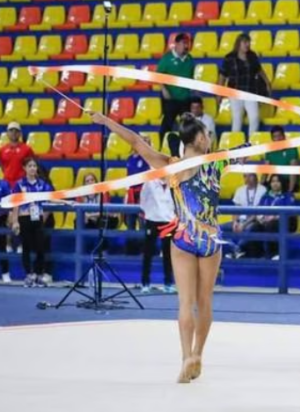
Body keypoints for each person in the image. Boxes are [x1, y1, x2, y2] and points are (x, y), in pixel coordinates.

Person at [91, 111, 241, 384]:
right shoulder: (217, 162)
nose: (210, 138)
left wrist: (107, 122)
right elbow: (250, 152)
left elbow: (137, 143)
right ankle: (197, 354)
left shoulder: (172, 166)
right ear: (198, 137)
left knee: (185, 302)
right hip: (209, 238)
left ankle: (186, 357)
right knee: (204, 301)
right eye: (207, 134)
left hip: (184, 237)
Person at [9, 157, 53, 287]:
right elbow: (16, 204)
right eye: (30, 166)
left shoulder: (43, 184)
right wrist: (15, 221)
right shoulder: (19, 184)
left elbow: (50, 199)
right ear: (24, 168)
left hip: (37, 218)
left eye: (34, 166)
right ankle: (29, 275)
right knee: (26, 247)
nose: (33, 168)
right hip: (24, 218)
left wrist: (42, 218)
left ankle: (39, 274)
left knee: (40, 247)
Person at [219, 33, 270, 137]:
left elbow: (259, 70)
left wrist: (267, 82)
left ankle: (252, 141)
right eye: (245, 42)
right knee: (237, 119)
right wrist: (219, 93)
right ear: (239, 44)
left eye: (248, 42)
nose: (247, 45)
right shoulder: (229, 58)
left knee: (255, 117)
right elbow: (223, 76)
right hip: (234, 92)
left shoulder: (252, 56)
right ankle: (235, 143)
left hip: (250, 91)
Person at [157, 33, 194, 143]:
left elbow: (190, 75)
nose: (186, 46)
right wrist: (164, 89)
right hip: (170, 97)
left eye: (187, 43)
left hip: (185, 97)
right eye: (184, 43)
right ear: (176, 44)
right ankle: (161, 145)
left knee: (187, 124)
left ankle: (186, 146)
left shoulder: (189, 59)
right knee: (168, 123)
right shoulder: (167, 58)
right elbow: (158, 76)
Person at [139, 179, 175, 293]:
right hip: (152, 220)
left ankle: (168, 283)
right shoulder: (149, 182)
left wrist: (171, 215)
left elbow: (177, 201)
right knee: (148, 253)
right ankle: (145, 283)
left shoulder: (174, 181)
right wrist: (150, 212)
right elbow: (142, 199)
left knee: (168, 254)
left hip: (168, 222)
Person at [251, 174, 296, 259]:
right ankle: (258, 254)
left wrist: (274, 217)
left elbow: (290, 212)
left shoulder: (288, 196)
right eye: (273, 181)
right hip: (266, 221)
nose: (275, 184)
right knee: (255, 227)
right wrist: (260, 218)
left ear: (282, 183)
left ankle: (274, 254)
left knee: (271, 225)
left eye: (277, 181)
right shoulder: (265, 196)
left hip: (283, 222)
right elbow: (259, 210)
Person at [225, 173, 266, 258]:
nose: (248, 178)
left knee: (250, 228)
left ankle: (238, 249)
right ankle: (233, 249)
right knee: (218, 229)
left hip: (254, 221)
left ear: (256, 176)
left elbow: (258, 212)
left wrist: (244, 224)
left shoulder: (263, 190)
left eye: (251, 175)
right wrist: (235, 222)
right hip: (240, 220)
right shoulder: (240, 190)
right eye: (246, 176)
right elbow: (236, 209)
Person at [264, 126, 299, 192]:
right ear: (272, 139)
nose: (278, 139)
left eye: (280, 136)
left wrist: (290, 190)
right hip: (274, 180)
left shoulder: (291, 149)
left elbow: (293, 171)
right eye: (275, 137)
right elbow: (265, 170)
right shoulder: (269, 150)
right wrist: (261, 185)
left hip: (286, 181)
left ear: (284, 136)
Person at [0, 122, 33, 188]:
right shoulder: (2, 150)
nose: (14, 133)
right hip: (7, 183)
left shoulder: (27, 149)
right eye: (11, 131)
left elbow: (31, 166)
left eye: (16, 131)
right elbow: (3, 166)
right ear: (7, 133)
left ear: (20, 133)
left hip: (23, 183)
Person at [0, 178, 11, 283]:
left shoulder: (3, 184)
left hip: (1, 218)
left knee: (2, 246)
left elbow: (9, 202)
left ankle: (5, 273)